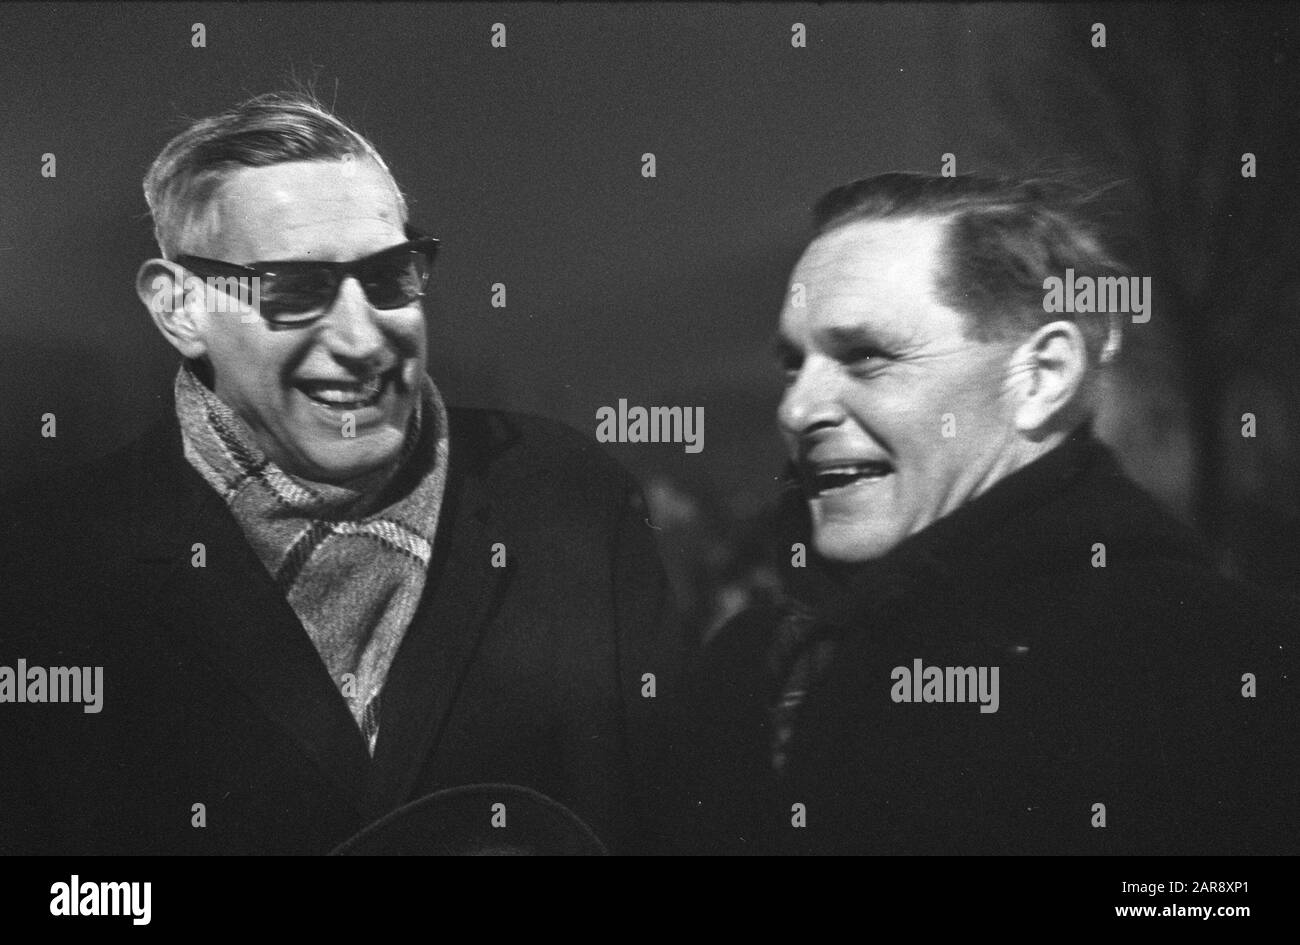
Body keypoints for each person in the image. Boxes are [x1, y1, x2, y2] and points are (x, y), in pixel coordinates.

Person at [0, 93, 681, 855]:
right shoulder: (41, 566)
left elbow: (668, 815)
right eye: (294, 289)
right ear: (180, 307)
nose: (361, 339)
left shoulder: (573, 499)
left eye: (389, 277)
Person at [681, 172, 1298, 855]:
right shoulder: (738, 677)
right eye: (794, 366)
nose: (796, 410)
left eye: (866, 357)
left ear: (1042, 377)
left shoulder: (1236, 679)